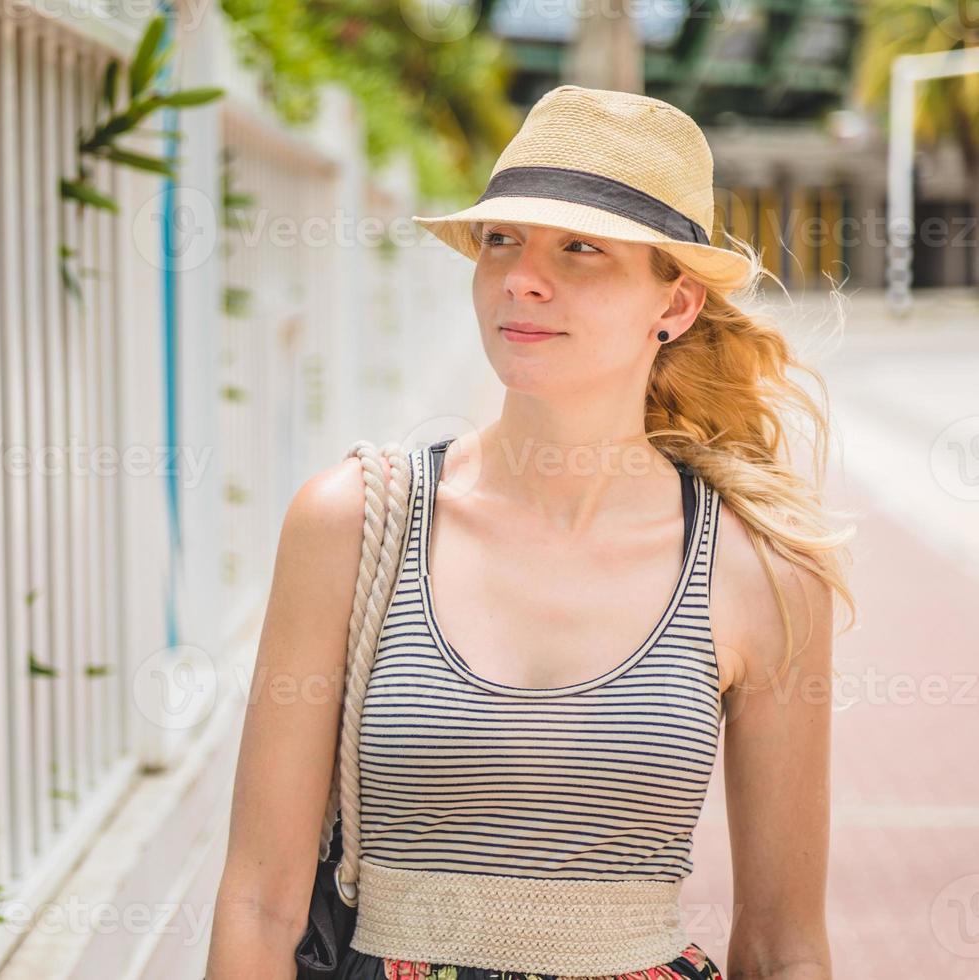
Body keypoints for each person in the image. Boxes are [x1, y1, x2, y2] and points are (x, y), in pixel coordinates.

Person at [205, 85, 855, 980]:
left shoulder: (763, 573)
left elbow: (785, 946)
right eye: (501, 240)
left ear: (677, 305)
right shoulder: (354, 523)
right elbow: (257, 902)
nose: (521, 278)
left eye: (580, 249)